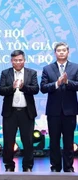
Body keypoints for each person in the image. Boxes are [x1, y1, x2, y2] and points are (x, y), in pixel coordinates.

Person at [0, 50, 39, 172]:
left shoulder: (31, 73)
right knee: (8, 140)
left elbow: (36, 89)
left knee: (28, 140)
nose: (18, 62)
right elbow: (1, 90)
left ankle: (27, 166)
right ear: (11, 61)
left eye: (20, 60)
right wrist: (12, 87)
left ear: (24, 60)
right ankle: (9, 165)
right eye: (15, 60)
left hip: (26, 112)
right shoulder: (5, 73)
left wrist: (23, 87)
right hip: (10, 112)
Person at [40, 42, 78, 172]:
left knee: (68, 141)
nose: (61, 52)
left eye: (64, 50)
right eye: (59, 50)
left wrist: (67, 82)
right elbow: (43, 88)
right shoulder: (48, 69)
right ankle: (55, 166)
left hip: (70, 111)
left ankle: (68, 167)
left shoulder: (75, 68)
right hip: (53, 112)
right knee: (54, 141)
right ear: (55, 53)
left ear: (68, 52)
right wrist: (57, 83)